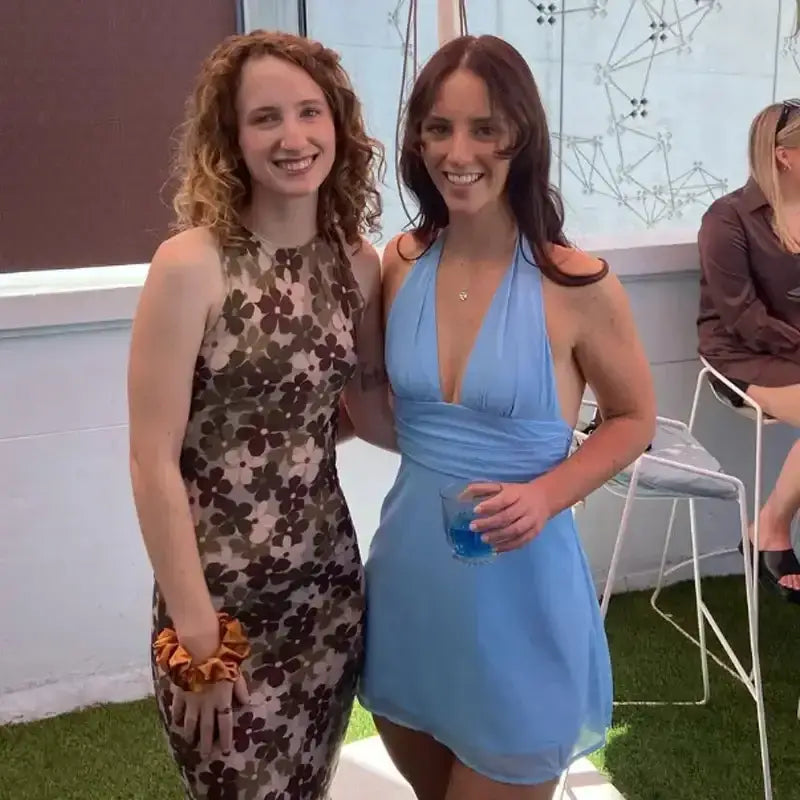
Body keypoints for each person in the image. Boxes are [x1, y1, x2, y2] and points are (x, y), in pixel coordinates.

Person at [357, 34, 655, 800]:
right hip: (409, 591)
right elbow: (373, 406)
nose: (458, 153)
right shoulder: (399, 263)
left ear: (521, 137)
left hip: (522, 600)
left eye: (484, 128)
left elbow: (633, 419)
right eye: (439, 128)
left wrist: (546, 494)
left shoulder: (578, 284)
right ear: (417, 140)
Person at [127, 30, 393, 799]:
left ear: (338, 125)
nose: (292, 137)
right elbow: (150, 461)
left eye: (310, 112)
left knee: (309, 786)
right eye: (265, 117)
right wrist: (199, 638)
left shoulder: (357, 264)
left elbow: (371, 415)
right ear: (232, 138)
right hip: (217, 606)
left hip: (325, 594)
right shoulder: (190, 265)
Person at [697, 98, 800, 601]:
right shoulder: (728, 219)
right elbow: (742, 316)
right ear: (785, 156)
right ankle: (771, 528)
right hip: (741, 354)